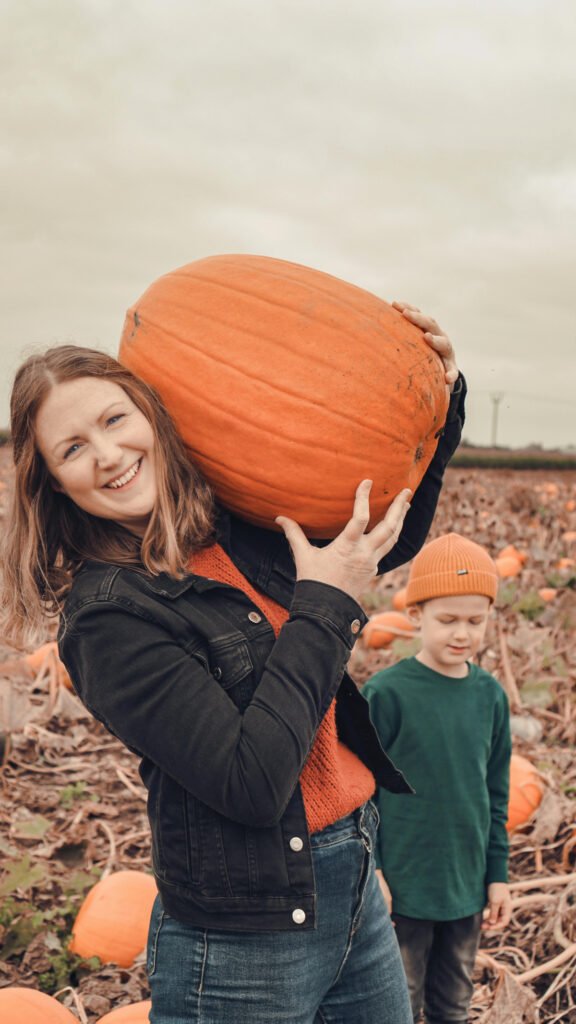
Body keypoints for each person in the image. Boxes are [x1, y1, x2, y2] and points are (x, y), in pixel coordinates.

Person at [1, 305, 465, 1024]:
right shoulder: (107, 620)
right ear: (55, 483)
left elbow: (375, 539)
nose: (108, 455)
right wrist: (324, 604)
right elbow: (250, 781)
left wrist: (444, 399)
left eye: (115, 420)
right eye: (72, 449)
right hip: (245, 939)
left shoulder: (234, 524)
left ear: (152, 417)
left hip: (354, 887)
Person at [362, 533, 512, 1024]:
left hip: (465, 886)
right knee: (397, 1002)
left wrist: (497, 876)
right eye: (448, 620)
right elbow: (360, 792)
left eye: (476, 620)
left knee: (453, 1005)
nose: (462, 633)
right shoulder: (388, 694)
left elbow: (495, 794)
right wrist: (374, 872)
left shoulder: (490, 697)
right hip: (402, 886)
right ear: (415, 616)